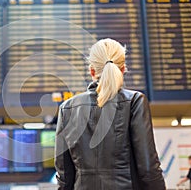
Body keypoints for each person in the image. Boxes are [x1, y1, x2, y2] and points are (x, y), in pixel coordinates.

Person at [54, 38, 166, 190]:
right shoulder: (134, 101)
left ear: (92, 71)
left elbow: (64, 177)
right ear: (122, 69)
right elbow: (148, 169)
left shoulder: (66, 108)